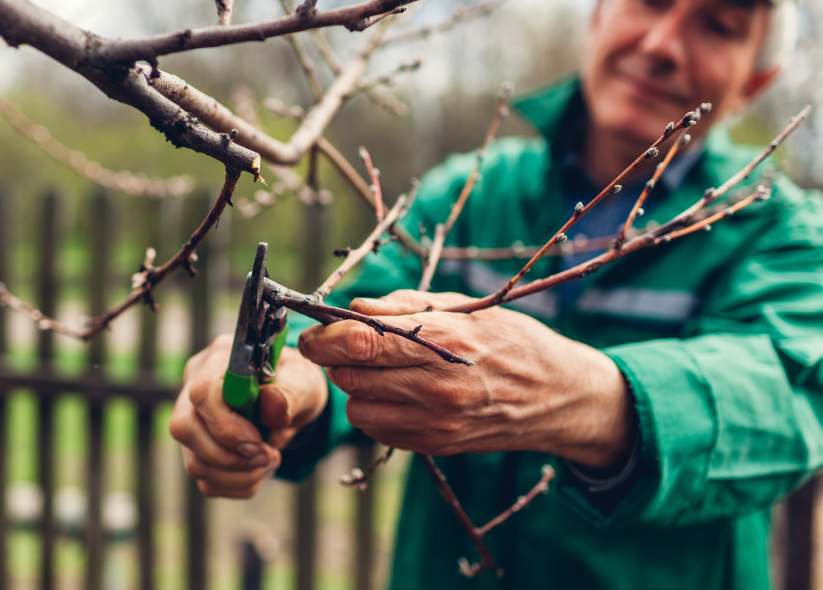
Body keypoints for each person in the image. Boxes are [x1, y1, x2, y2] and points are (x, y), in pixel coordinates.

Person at [170, 0, 823, 587]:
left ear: (755, 82)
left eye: (718, 25)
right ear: (599, 14)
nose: (662, 43)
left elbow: (790, 397)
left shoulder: (779, 234)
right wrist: (295, 387)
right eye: (649, 0)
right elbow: (353, 326)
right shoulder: (468, 199)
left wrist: (585, 396)